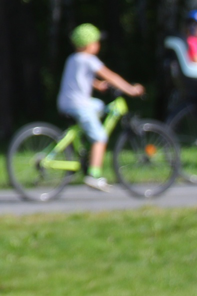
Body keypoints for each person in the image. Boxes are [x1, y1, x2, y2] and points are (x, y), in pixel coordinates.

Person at [57, 23, 146, 192]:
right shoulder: (89, 60)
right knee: (100, 137)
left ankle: (83, 141)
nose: (98, 45)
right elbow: (111, 76)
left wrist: (97, 85)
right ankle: (94, 175)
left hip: (67, 103)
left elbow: (79, 78)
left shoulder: (73, 59)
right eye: (96, 42)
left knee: (99, 105)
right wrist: (130, 89)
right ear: (88, 44)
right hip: (79, 105)